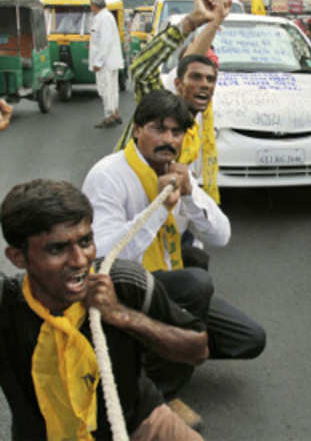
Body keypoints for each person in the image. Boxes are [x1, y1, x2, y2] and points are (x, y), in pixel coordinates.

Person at [83, 90, 266, 428]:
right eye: (158, 129)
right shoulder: (109, 175)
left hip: (165, 281)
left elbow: (221, 236)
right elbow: (107, 256)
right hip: (126, 285)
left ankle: (158, 348)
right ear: (137, 130)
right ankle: (159, 393)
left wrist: (190, 195)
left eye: (176, 132)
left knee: (250, 339)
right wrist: (160, 208)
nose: (168, 139)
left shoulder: (178, 171)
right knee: (195, 283)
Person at [0, 179, 208, 440]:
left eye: (85, 241)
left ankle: (169, 400)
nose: (79, 260)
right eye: (57, 248)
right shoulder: (7, 308)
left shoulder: (125, 283)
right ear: (18, 258)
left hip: (139, 424)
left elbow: (198, 349)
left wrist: (123, 316)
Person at [117, 0, 230, 206]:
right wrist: (192, 21)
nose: (204, 85)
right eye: (196, 77)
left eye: (210, 79)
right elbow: (141, 70)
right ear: (177, 83)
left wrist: (215, 21)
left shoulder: (203, 116)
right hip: (136, 203)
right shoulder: (162, 102)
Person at [89, 0, 124, 129]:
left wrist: (98, 62)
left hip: (105, 62)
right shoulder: (105, 17)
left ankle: (109, 116)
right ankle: (114, 113)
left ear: (94, 5)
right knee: (111, 89)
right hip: (109, 60)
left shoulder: (103, 18)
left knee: (105, 89)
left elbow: (104, 42)